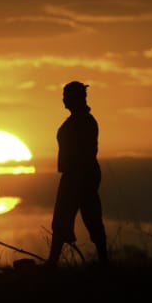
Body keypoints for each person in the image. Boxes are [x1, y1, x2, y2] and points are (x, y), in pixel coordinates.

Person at [45, 81, 108, 268]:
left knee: (87, 217)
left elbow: (86, 152)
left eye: (67, 95)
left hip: (80, 174)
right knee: (70, 218)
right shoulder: (77, 120)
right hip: (76, 174)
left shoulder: (85, 121)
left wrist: (79, 178)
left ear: (76, 98)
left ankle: (53, 262)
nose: (63, 99)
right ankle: (53, 261)